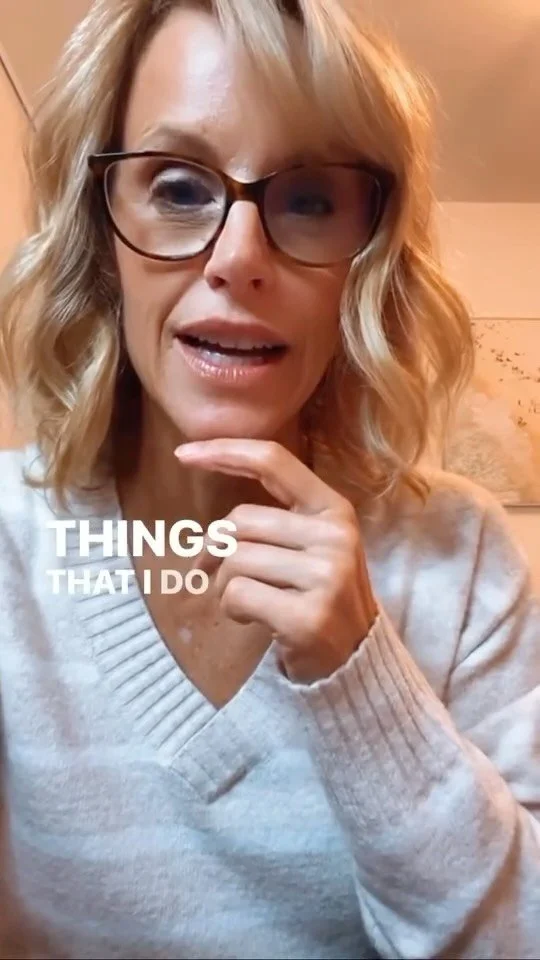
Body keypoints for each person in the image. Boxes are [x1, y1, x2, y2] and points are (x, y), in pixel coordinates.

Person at [0, 0, 538, 957]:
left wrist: (360, 673)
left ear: (365, 260)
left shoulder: (460, 556)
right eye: (177, 188)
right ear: (101, 233)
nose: (239, 259)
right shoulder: (10, 539)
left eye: (310, 199)